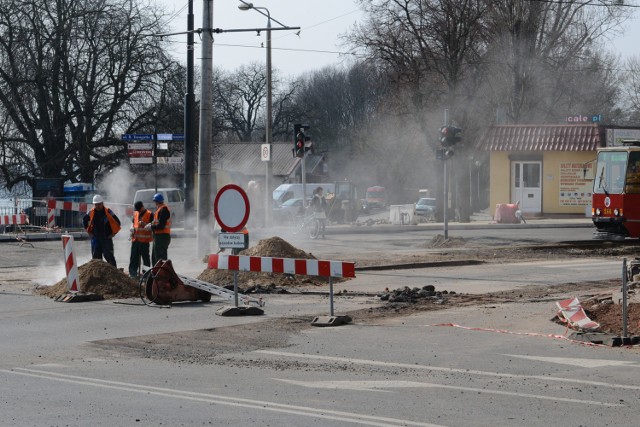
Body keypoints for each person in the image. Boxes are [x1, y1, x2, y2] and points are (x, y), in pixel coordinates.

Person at [82, 194, 121, 267]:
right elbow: (84, 221)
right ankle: (98, 276)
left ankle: (114, 274)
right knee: (96, 260)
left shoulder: (108, 212)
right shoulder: (91, 212)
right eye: (96, 204)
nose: (97, 206)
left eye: (99, 204)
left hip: (106, 238)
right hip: (95, 238)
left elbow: (118, 222)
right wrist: (89, 232)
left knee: (109, 257)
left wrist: (113, 233)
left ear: (102, 203)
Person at [145, 192, 171, 265]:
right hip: (159, 236)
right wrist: (151, 224)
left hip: (162, 236)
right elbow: (157, 222)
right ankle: (156, 273)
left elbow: (161, 226)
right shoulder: (160, 209)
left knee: (160, 258)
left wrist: (151, 227)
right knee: (155, 257)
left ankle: (162, 273)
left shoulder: (163, 210)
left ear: (156, 202)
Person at [128, 201, 152, 278]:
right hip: (135, 240)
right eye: (137, 210)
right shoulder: (136, 213)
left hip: (144, 241)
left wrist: (145, 224)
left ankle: (146, 275)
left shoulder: (149, 214)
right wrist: (131, 227)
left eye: (139, 209)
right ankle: (133, 274)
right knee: (134, 258)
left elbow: (153, 225)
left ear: (142, 207)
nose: (138, 211)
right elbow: (133, 222)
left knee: (145, 259)